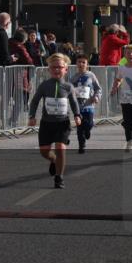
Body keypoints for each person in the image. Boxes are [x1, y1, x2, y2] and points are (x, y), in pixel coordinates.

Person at [27, 53, 82, 189]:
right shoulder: (44, 85)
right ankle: (54, 160)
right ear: (49, 69)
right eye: (53, 67)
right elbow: (34, 101)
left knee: (60, 147)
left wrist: (77, 115)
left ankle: (59, 178)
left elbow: (74, 102)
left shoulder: (68, 87)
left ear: (66, 69)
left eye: (60, 67)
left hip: (62, 123)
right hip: (46, 123)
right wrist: (32, 116)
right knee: (44, 152)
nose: (57, 70)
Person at [71, 54, 101, 154]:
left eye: (83, 62)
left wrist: (96, 97)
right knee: (80, 127)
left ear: (87, 64)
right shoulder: (73, 77)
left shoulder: (91, 75)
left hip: (89, 105)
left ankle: (88, 130)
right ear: (76, 64)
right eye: (79, 62)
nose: (81, 64)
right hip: (78, 106)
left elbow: (98, 88)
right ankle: (81, 146)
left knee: (89, 124)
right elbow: (69, 90)